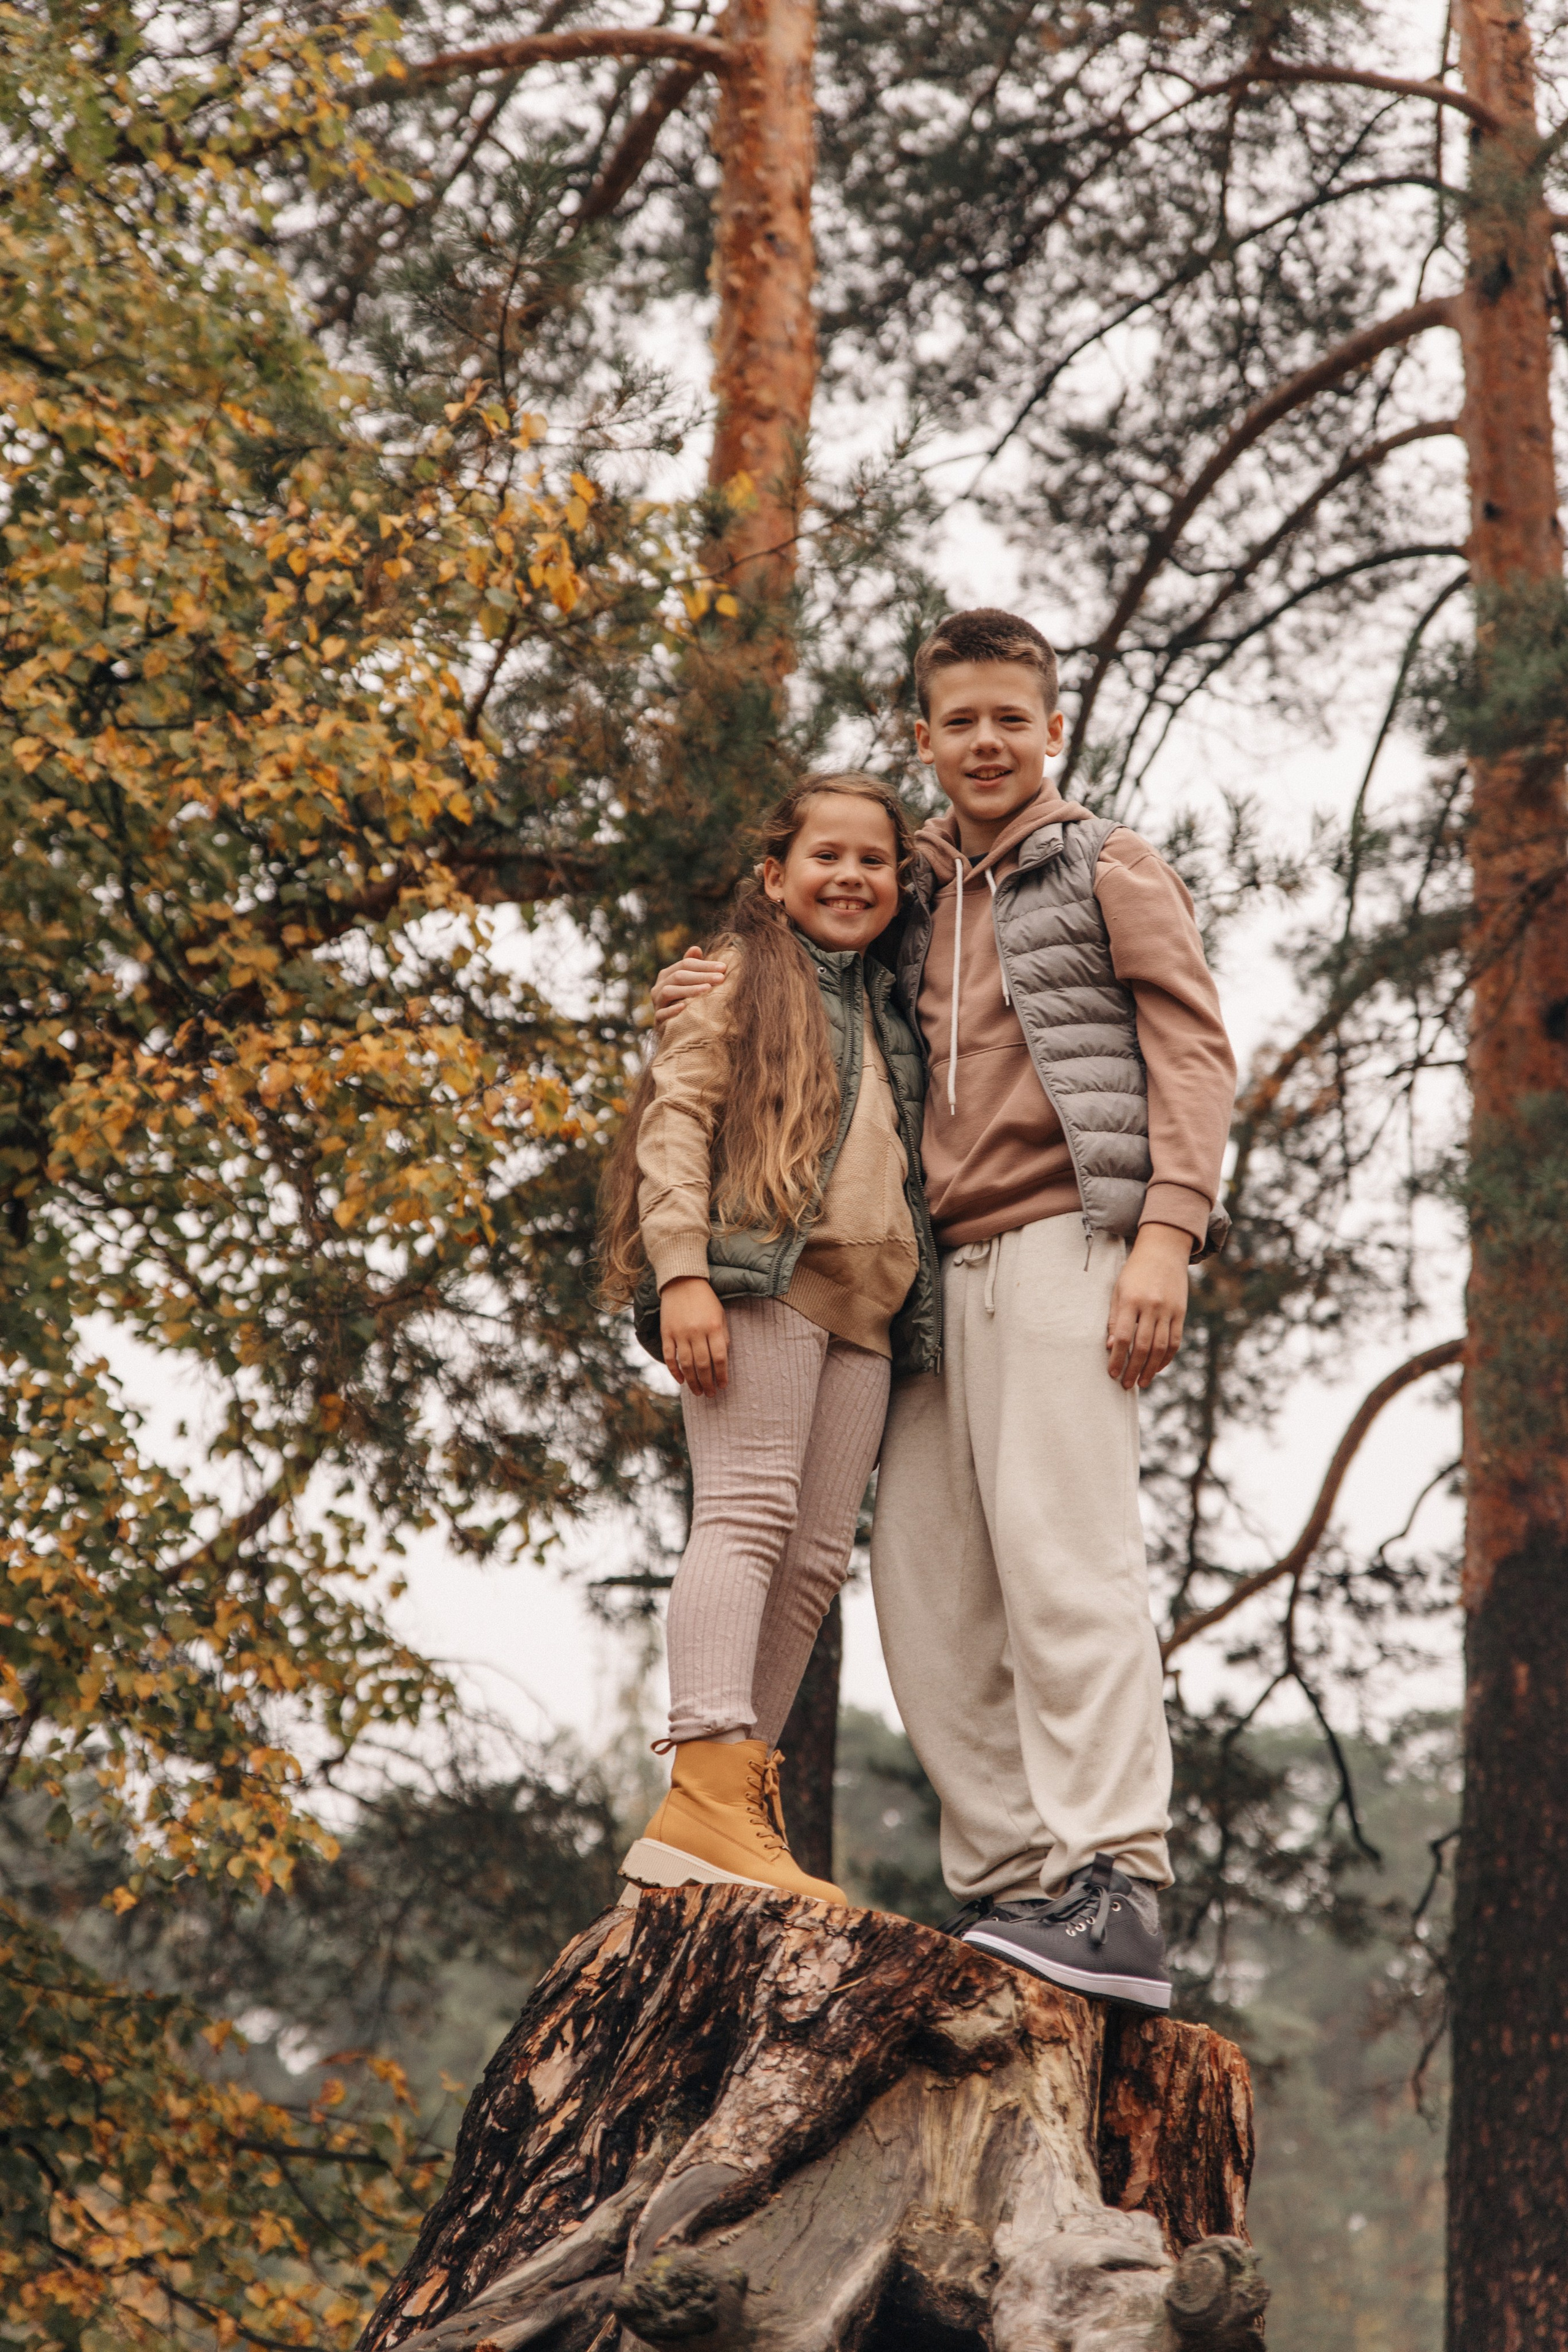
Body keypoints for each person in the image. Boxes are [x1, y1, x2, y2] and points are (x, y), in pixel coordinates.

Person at [650, 609, 1235, 2010]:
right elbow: (812, 942)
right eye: (958, 721)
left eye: (1008, 720)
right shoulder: (911, 880)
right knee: (922, 1583)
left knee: (1062, 1556)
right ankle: (1018, 1881)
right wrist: (714, 973)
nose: (985, 742)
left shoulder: (1105, 866)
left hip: (1067, 1242)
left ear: (1052, 731)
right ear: (923, 739)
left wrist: (1165, 1239)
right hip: (924, 1276)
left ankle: (1114, 1879)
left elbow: (1191, 1052)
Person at [600, 772, 940, 1905]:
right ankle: (702, 1774)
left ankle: (728, 1803)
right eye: (825, 856)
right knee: (747, 1517)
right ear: (774, 877)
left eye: (874, 860)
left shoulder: (891, 999)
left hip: (867, 1308)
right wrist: (684, 1275)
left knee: (811, 1565)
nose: (851, 876)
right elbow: (676, 1121)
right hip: (763, 1280)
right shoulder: (741, 972)